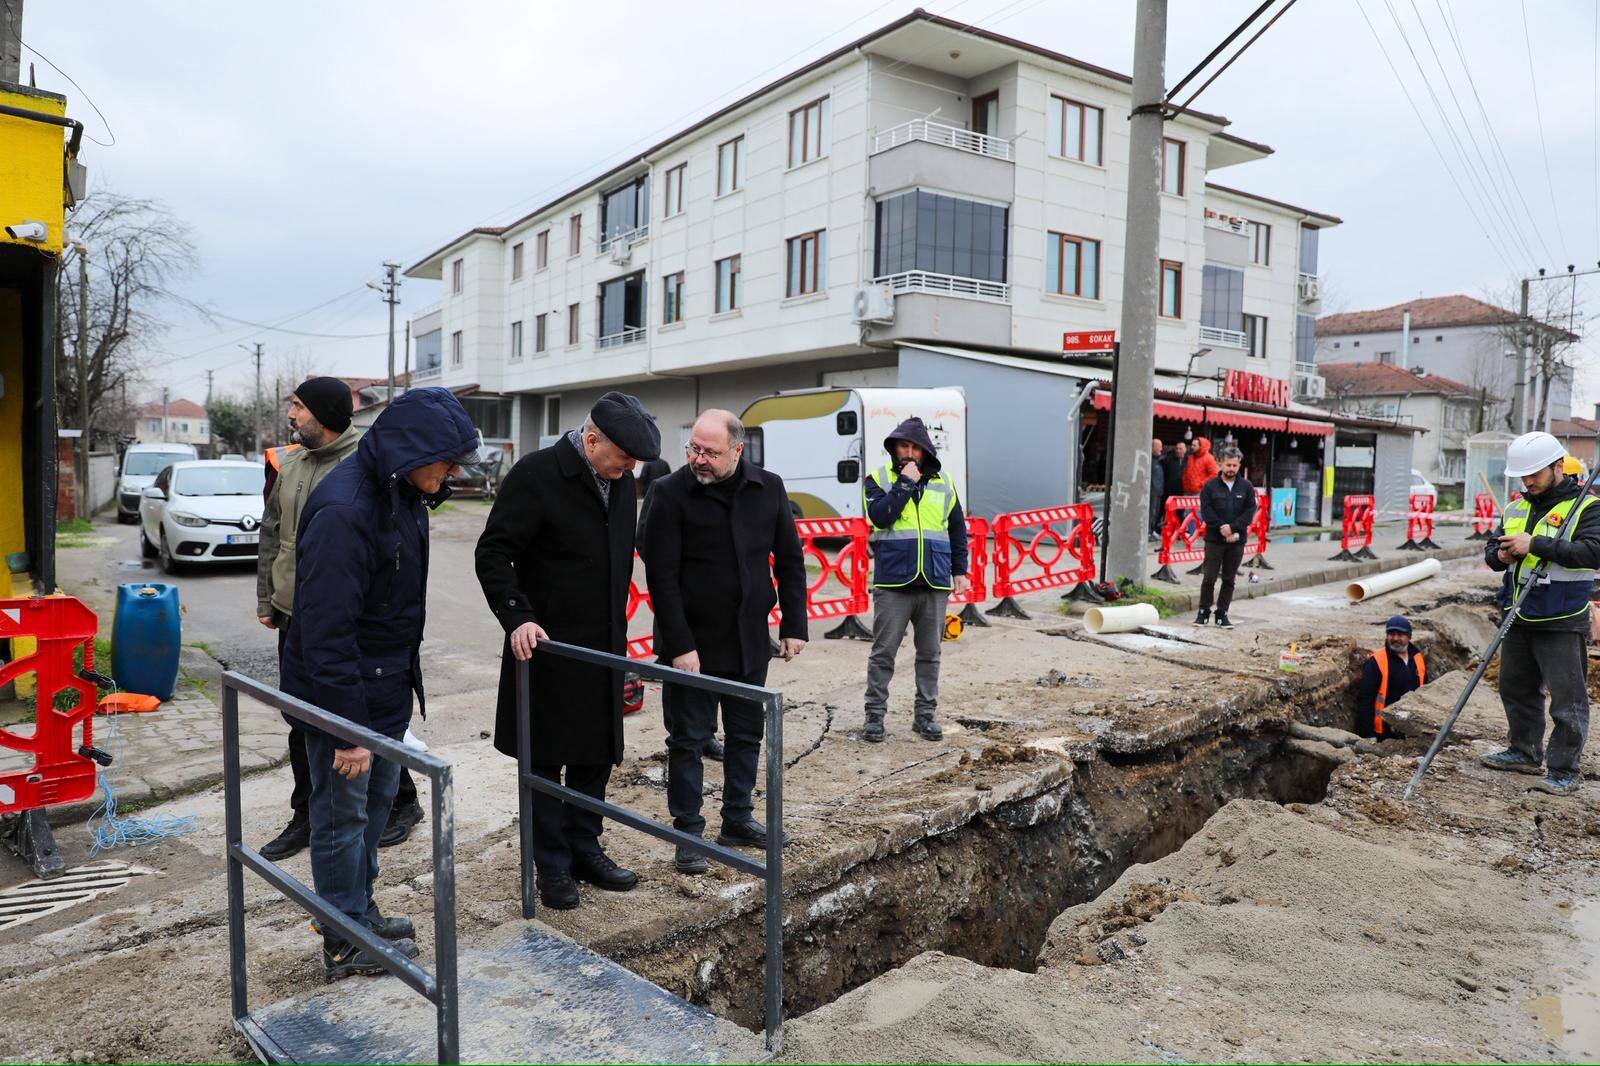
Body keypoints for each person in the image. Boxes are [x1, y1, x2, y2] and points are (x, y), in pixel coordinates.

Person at [279, 386, 479, 981]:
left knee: (371, 812)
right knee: (340, 819)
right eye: (447, 461)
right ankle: (342, 938)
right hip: (345, 699)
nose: (454, 473)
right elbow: (326, 632)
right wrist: (346, 732)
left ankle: (358, 912)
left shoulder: (400, 490)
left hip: (384, 690)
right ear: (413, 450)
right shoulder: (347, 511)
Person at [476, 392, 661, 909]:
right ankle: (551, 863)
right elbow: (493, 553)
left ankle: (585, 847)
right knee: (546, 758)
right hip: (547, 648)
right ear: (593, 438)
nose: (629, 470)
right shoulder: (537, 475)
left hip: (604, 646)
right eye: (623, 458)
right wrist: (517, 616)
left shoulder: (621, 485)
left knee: (596, 753)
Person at [641, 410, 807, 873]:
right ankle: (688, 834)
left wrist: (794, 624)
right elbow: (662, 577)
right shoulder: (669, 492)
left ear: (737, 450)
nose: (699, 459)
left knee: (746, 735)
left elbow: (790, 561)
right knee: (689, 740)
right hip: (691, 643)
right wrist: (679, 644)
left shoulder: (767, 487)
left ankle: (737, 819)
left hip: (749, 639)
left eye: (710, 452)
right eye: (693, 448)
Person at [255, 378, 365, 861]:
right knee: (301, 718)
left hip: (344, 619)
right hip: (292, 615)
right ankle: (306, 814)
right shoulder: (290, 462)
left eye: (298, 407)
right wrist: (266, 598)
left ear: (323, 412)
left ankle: (401, 800)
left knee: (361, 716)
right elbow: (271, 534)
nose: (292, 415)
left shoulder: (364, 463)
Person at [1481, 430, 1600, 796]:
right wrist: (1500, 555)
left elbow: (1592, 552)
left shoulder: (1587, 507)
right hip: (1520, 610)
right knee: (1515, 688)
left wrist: (1536, 544)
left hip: (1562, 617)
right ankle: (1524, 750)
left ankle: (1564, 768)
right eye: (1523, 476)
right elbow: (1491, 550)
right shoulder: (1517, 507)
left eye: (1535, 473)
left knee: (1567, 699)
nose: (1529, 481)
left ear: (1557, 466)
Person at [861, 417, 969, 742]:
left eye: (914, 448)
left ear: (924, 451)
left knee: (930, 654)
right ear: (894, 448)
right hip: (894, 581)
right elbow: (881, 516)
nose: (908, 453)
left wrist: (960, 570)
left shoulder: (945, 482)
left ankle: (925, 717)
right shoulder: (877, 479)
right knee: (883, 653)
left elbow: (957, 529)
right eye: (903, 446)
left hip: (934, 580)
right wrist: (905, 483)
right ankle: (874, 718)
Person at [1194, 445, 1254, 628]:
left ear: (1239, 465)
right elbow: (1206, 510)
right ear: (1220, 463)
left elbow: (1250, 511)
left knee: (1229, 578)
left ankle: (1222, 613)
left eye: (1235, 465)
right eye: (1228, 465)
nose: (1231, 469)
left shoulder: (1246, 487)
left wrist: (1233, 528)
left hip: (1236, 540)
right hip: (1214, 539)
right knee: (1209, 577)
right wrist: (1221, 527)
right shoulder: (1209, 486)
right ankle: (1203, 612)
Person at [1356, 615, 1426, 739]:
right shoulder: (1376, 661)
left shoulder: (1417, 658)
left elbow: (1424, 690)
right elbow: (1366, 700)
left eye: (1400, 635)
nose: (1395, 638)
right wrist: (1368, 734)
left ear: (1409, 636)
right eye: (1391, 634)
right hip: (1384, 732)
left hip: (1411, 727)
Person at [1149, 438, 1166, 540]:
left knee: (1156, 512)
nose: (1161, 448)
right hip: (1152, 491)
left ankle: (1152, 530)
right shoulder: (1150, 460)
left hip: (1159, 491)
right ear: (1152, 447)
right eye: (1159, 446)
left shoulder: (1159, 460)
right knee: (1151, 512)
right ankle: (1148, 532)